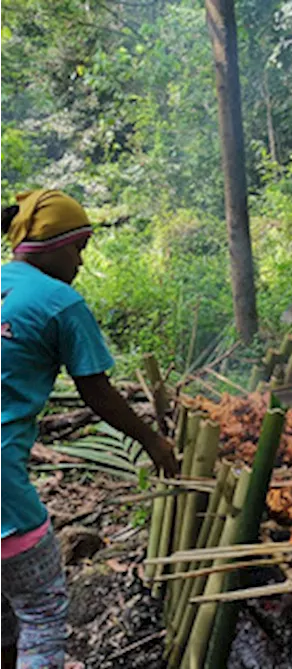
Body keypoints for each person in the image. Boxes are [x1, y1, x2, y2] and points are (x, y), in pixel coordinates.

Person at [0, 189, 178, 669]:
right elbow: (97, 394)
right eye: (78, 247)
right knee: (40, 612)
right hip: (2, 495)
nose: (81, 261)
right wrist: (155, 443)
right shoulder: (60, 303)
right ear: (51, 247)